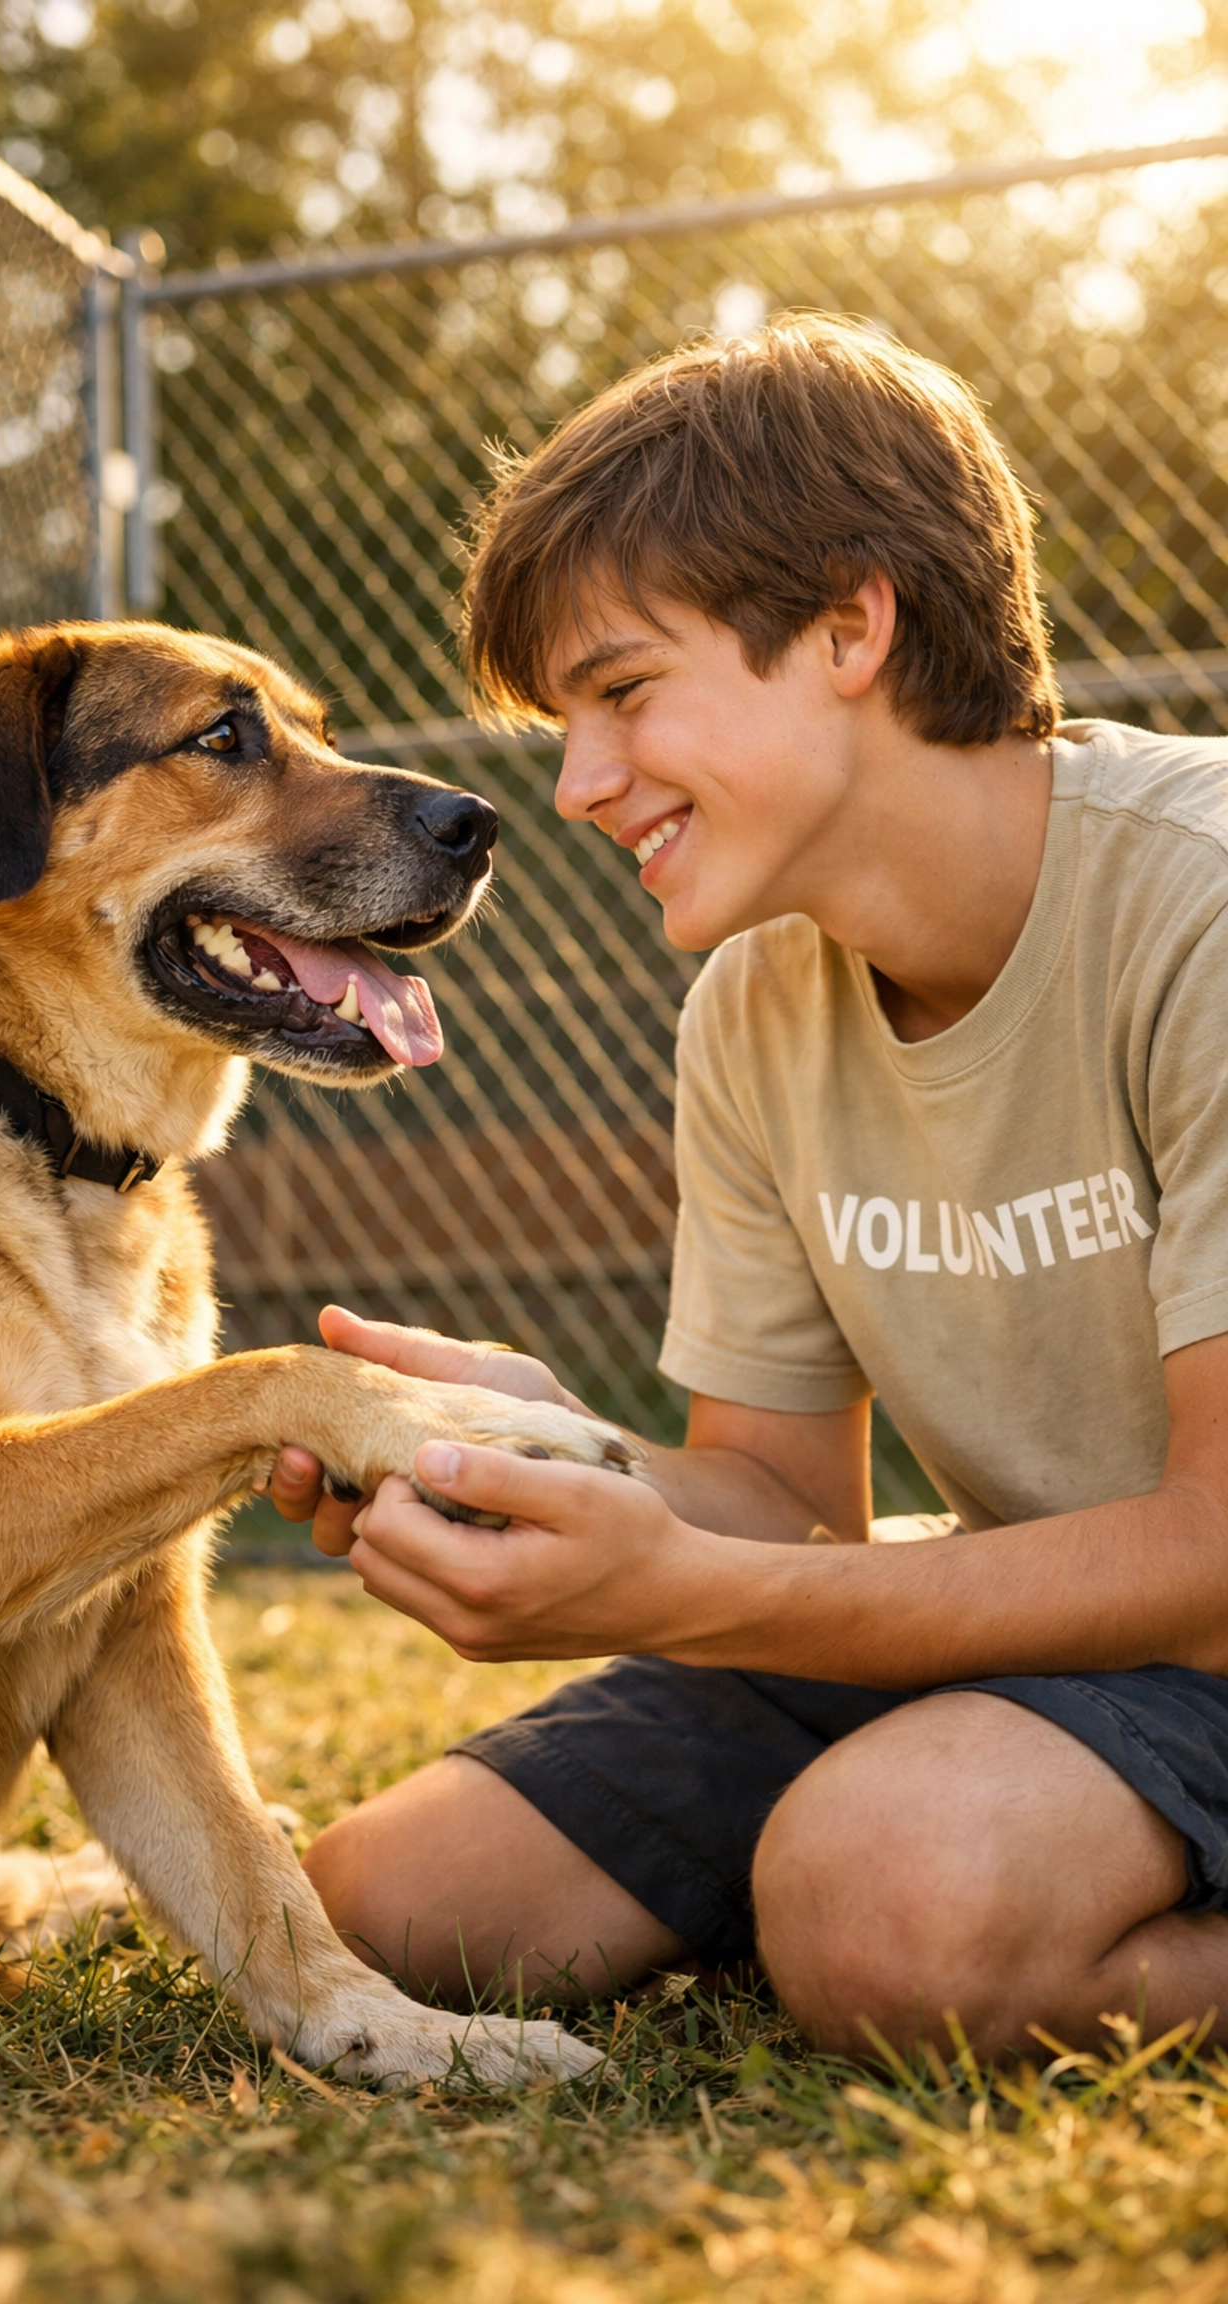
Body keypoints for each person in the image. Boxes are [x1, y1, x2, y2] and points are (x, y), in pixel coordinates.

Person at [263, 313, 1228, 2060]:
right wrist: (550, 1454)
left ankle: (963, 1858)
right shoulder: (756, 1008)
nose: (574, 785)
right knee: (403, 1911)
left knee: (886, 1916)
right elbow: (789, 1509)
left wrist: (695, 1599)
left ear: (854, 625)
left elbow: (1218, 1546)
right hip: (1049, 1609)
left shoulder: (1204, 904)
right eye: (566, 721)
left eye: (624, 692)